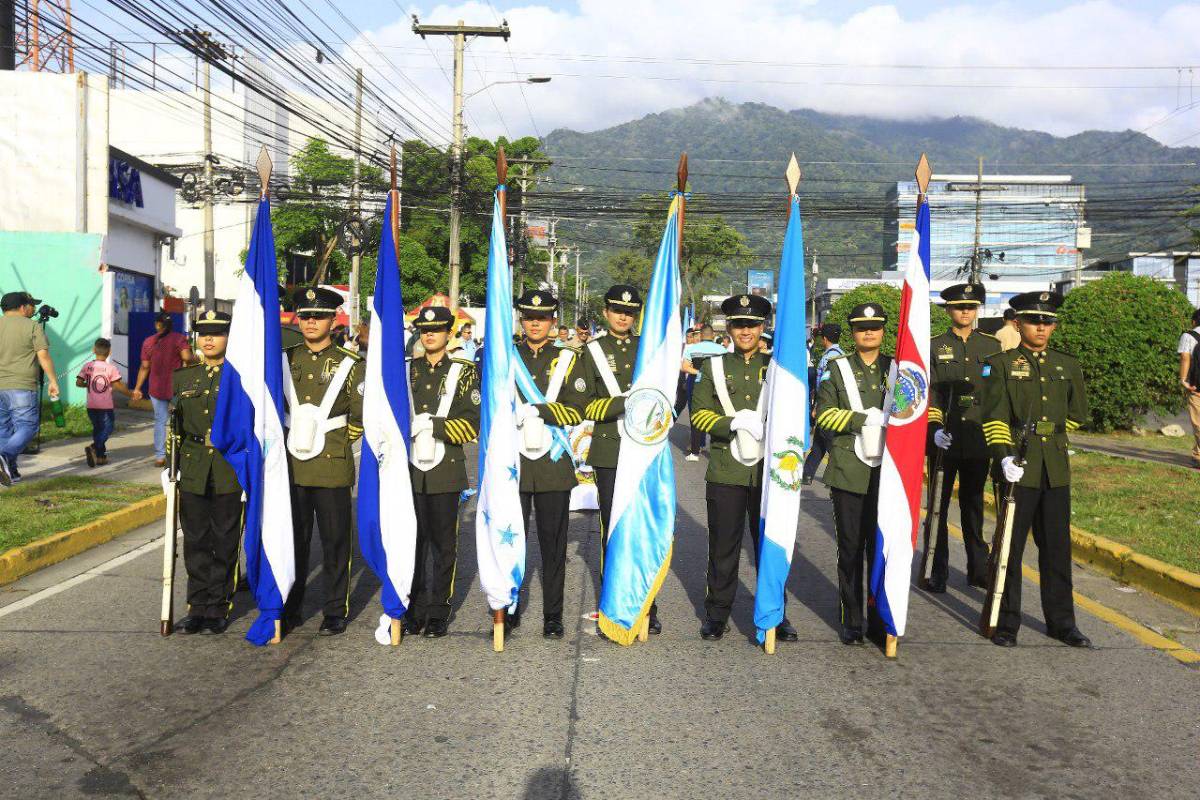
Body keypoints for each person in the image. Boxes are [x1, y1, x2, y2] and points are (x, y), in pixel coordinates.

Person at [981, 291, 1091, 649]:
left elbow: (1077, 415)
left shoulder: (1067, 364)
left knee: (1057, 548)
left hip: (1055, 468)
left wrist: (1053, 440)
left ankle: (1062, 623)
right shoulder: (1001, 364)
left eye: (1048, 322)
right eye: (1034, 321)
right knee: (1009, 548)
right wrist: (1004, 456)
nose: (1041, 328)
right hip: (1018, 466)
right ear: (1018, 323)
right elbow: (993, 416)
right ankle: (1006, 622)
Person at [689, 294, 798, 643]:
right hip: (726, 469)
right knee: (723, 545)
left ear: (762, 327)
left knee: (770, 544)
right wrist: (732, 423)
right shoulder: (713, 367)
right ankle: (717, 613)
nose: (745, 331)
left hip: (770, 474)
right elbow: (700, 414)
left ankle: (775, 615)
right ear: (730, 328)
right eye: (739, 324)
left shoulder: (778, 369)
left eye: (751, 324)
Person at [281, 287, 364, 637]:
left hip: (331, 463)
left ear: (333, 320)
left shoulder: (350, 363)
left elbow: (359, 414)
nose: (311, 322)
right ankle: (290, 606)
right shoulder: (284, 359)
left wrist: (336, 438)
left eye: (319, 316)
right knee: (293, 542)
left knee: (334, 543)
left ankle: (334, 609)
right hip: (292, 466)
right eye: (306, 316)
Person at [580, 283, 661, 634]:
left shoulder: (650, 349)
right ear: (605, 312)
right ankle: (613, 601)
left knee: (643, 528)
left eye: (629, 311)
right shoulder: (591, 352)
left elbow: (667, 397)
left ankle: (646, 603)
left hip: (644, 450)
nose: (623, 316)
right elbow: (583, 404)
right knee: (611, 530)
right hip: (610, 449)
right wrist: (621, 403)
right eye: (617, 310)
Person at [511, 290, 588, 639]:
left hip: (553, 464)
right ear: (521, 320)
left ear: (552, 322)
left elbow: (579, 408)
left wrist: (541, 411)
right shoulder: (505, 357)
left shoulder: (569, 360)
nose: (535, 323)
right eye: (529, 317)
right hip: (512, 464)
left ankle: (552, 615)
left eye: (541, 318)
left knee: (553, 545)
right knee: (510, 542)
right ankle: (508, 608)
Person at [813, 304, 891, 645]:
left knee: (882, 549)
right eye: (862, 328)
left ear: (883, 331)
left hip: (888, 474)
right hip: (848, 470)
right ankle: (852, 619)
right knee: (850, 548)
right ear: (853, 333)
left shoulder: (897, 369)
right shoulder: (837, 369)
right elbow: (824, 415)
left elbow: (911, 411)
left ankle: (879, 618)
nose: (869, 333)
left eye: (875, 327)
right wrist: (863, 420)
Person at [404, 305, 480, 638]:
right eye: (424, 330)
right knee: (412, 543)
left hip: (445, 468)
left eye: (436, 330)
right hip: (409, 469)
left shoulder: (464, 371)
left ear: (449, 333)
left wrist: (434, 426)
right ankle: (414, 608)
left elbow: (472, 425)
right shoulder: (408, 370)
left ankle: (438, 611)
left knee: (443, 545)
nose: (429, 334)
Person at [170, 311, 243, 635]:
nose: (209, 339)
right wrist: (172, 467)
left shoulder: (241, 377)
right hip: (194, 465)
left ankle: (218, 606)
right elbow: (176, 429)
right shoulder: (184, 378)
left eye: (217, 333)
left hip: (228, 466)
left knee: (225, 539)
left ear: (229, 337)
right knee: (196, 540)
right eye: (204, 333)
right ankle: (196, 606)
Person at [926, 283, 999, 592]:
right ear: (948, 310)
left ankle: (978, 568)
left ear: (977, 310)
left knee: (973, 505)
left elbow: (998, 393)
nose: (965, 311)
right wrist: (934, 429)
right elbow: (928, 392)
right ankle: (935, 569)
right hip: (945, 437)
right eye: (959, 306)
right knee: (937, 505)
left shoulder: (992, 346)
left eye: (970, 306)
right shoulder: (934, 345)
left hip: (979, 436)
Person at [0, 291, 59, 485]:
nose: (33, 310)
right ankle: (5, 456)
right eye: (31, 306)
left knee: (3, 429)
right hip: (21, 385)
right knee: (28, 426)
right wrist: (53, 381)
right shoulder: (32, 326)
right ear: (23, 307)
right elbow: (43, 356)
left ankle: (10, 472)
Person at [131, 311, 192, 467]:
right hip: (176, 387)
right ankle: (184, 452)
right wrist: (195, 358)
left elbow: (145, 366)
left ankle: (160, 456)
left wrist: (137, 388)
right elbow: (186, 357)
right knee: (183, 419)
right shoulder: (179, 338)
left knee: (160, 420)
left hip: (156, 388)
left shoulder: (149, 342)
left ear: (157, 325)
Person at [76, 338, 131, 467]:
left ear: (93, 350)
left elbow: (78, 383)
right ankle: (94, 447)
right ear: (109, 352)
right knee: (108, 428)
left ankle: (101, 457)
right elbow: (118, 385)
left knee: (98, 429)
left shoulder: (87, 366)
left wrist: (88, 384)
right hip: (105, 406)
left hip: (91, 405)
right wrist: (130, 394)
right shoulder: (110, 368)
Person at [801, 323, 844, 485]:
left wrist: (817, 406)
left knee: (830, 442)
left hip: (827, 406)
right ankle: (807, 473)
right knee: (819, 443)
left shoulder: (827, 358)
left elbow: (823, 386)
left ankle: (836, 476)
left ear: (824, 339)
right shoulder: (842, 355)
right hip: (838, 406)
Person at [681, 324, 727, 461]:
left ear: (701, 335)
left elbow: (685, 367)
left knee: (695, 414)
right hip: (716, 384)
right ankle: (716, 450)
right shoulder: (722, 350)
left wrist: (700, 372)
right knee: (716, 414)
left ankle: (696, 450)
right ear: (713, 335)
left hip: (695, 383)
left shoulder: (693, 349)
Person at [1177, 307, 1200, 470]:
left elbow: (1185, 357)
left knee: (1198, 422)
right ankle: (1197, 455)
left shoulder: (1189, 336)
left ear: (1194, 322)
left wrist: (1183, 379)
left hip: (1196, 385)